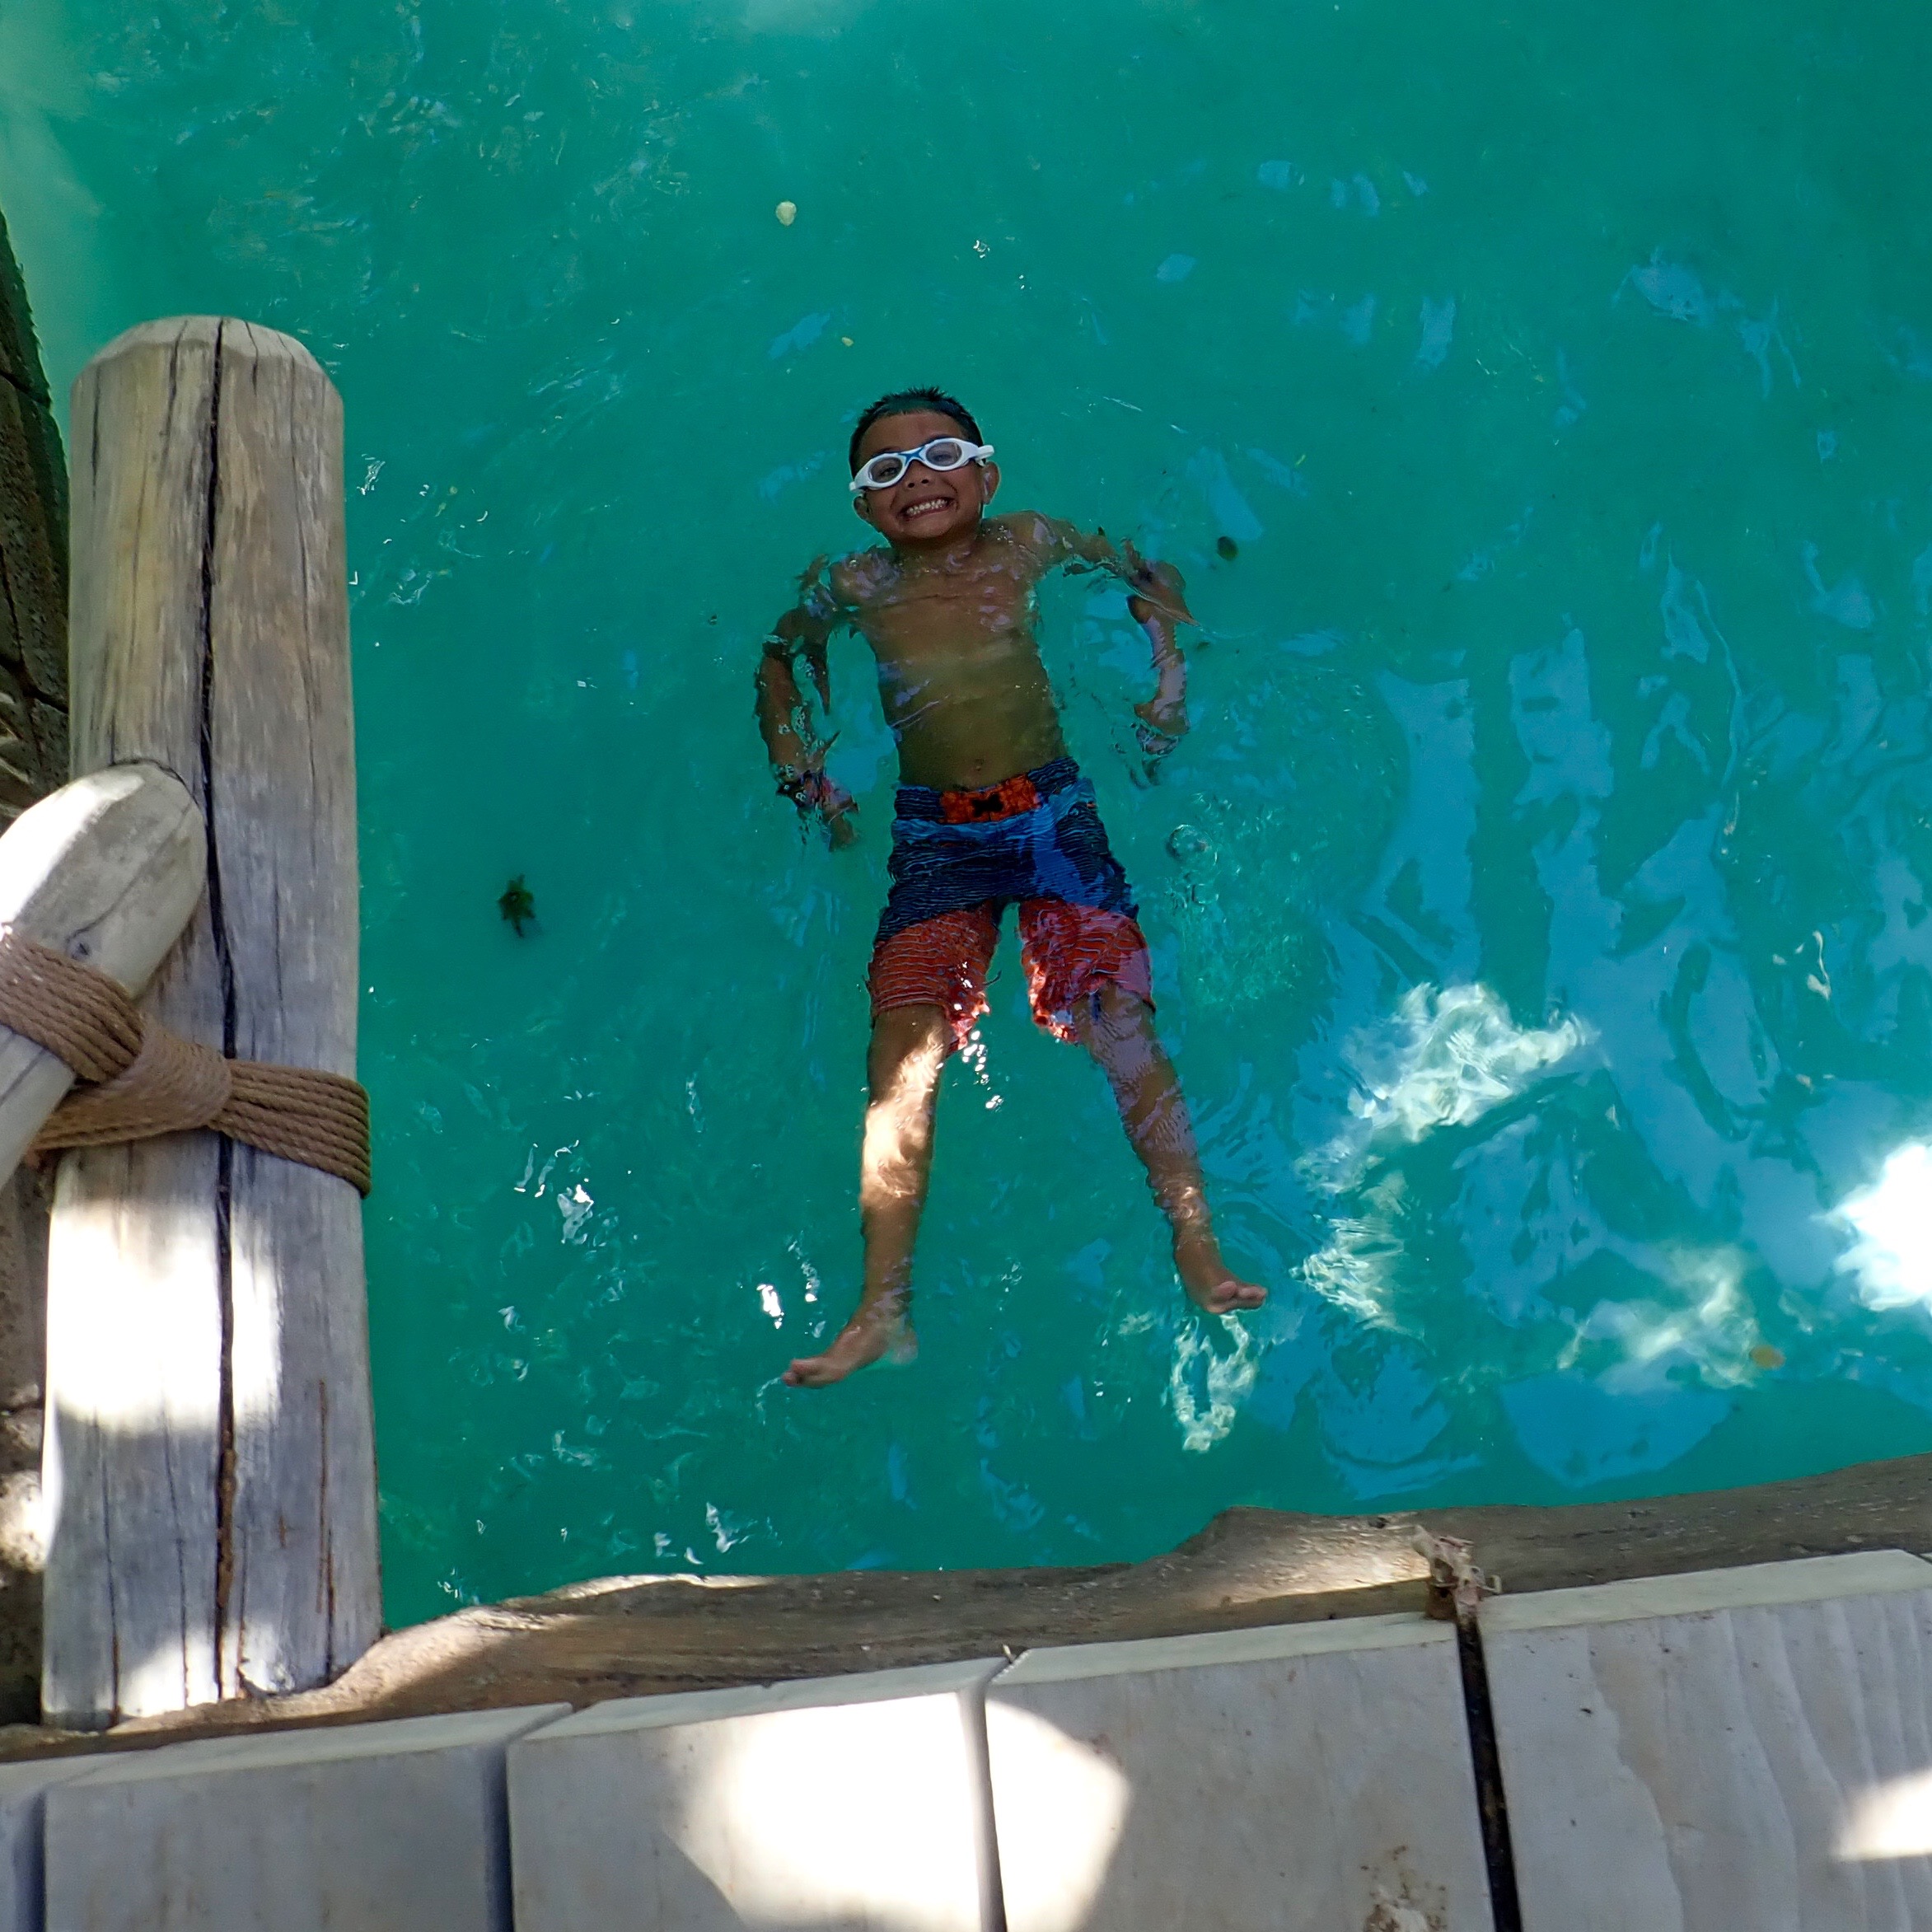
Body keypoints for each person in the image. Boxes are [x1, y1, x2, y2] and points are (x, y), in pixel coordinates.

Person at [756, 388, 1265, 1388]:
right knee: (902, 1051)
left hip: (1051, 816)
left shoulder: (1030, 540)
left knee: (1117, 1016)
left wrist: (1166, 676)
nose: (917, 479)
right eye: (886, 470)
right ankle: (881, 1302)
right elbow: (778, 659)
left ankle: (1194, 1238)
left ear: (986, 475)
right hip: (932, 837)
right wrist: (796, 759)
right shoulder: (852, 581)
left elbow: (1148, 573)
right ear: (862, 505)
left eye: (940, 456)